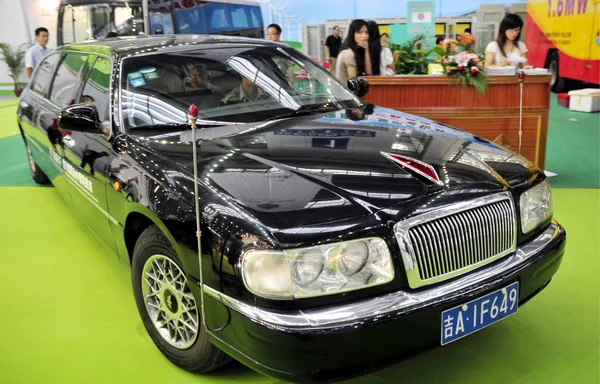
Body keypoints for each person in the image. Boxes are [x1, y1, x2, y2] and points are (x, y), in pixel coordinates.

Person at [335, 19, 372, 85]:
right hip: (345, 93)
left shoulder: (357, 50)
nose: (364, 36)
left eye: (366, 32)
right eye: (360, 32)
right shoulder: (349, 53)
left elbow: (368, 72)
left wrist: (366, 50)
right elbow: (353, 84)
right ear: (353, 34)